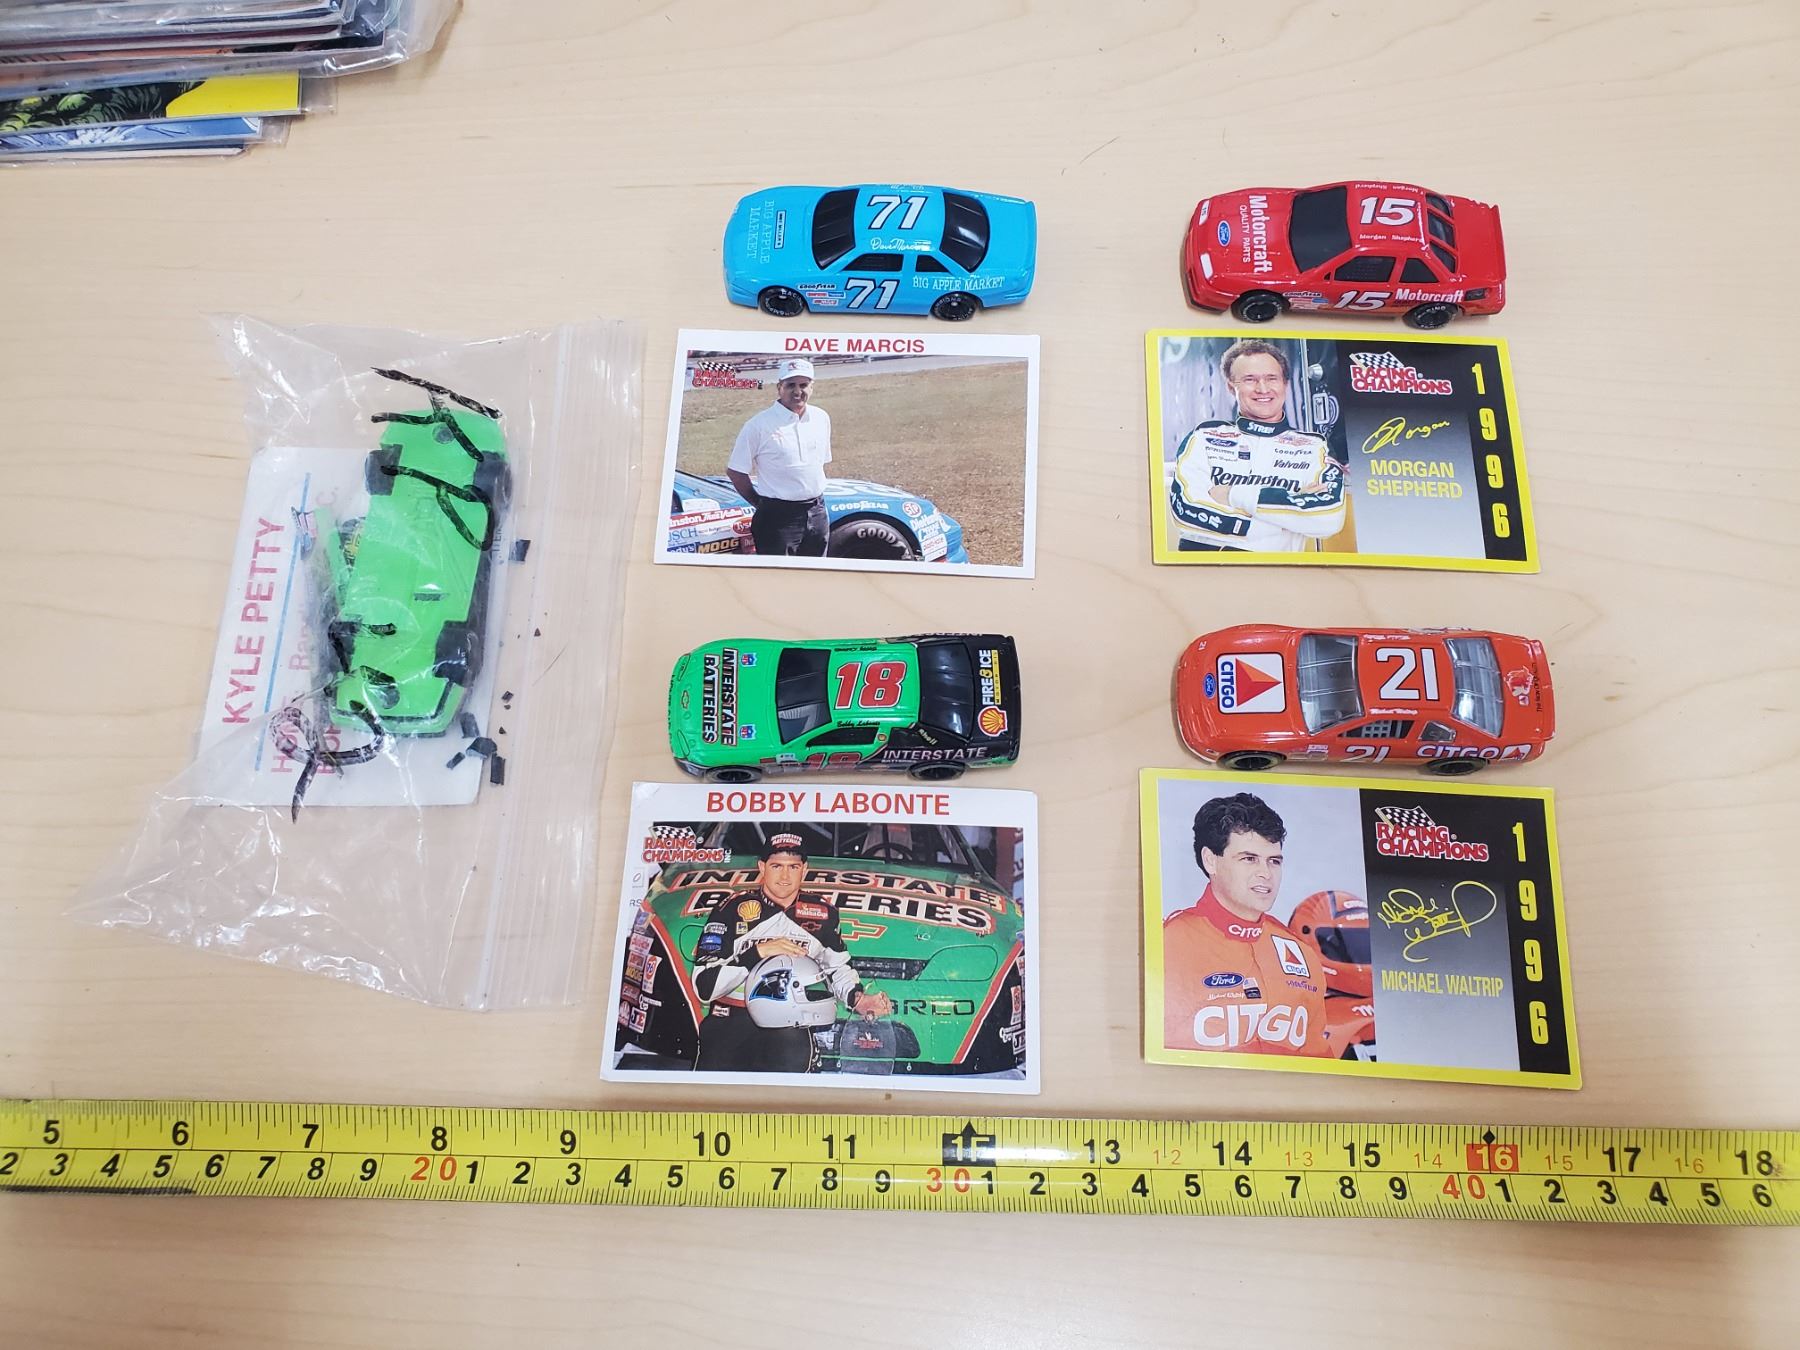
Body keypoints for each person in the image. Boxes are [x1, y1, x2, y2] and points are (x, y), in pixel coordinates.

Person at [691, 830, 891, 1072]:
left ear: (804, 870)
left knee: (789, 1086)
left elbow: (837, 968)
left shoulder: (823, 913)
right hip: (731, 1020)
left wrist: (858, 999)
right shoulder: (731, 909)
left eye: (793, 867)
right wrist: (758, 952)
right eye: (776, 866)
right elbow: (704, 987)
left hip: (791, 1025)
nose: (785, 876)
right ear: (762, 867)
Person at [1162, 792, 1330, 1056]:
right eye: (1249, 859)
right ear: (1210, 861)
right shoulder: (1166, 944)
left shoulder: (1302, 954)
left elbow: (1319, 1061)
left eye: (1274, 861)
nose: (1265, 873)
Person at [1169, 339, 1347, 553]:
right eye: (1249, 380)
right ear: (1231, 387)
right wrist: (1284, 521)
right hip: (1201, 571)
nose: (1262, 389)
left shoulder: (1315, 447)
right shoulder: (1203, 437)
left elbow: (1328, 518)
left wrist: (1233, 495)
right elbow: (1187, 512)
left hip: (1274, 573)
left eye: (1272, 378)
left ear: (1285, 384)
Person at [727, 357, 832, 557]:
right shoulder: (758, 425)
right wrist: (760, 504)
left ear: (812, 387)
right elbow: (736, 471)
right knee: (779, 574)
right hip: (777, 518)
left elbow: (819, 464)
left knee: (815, 571)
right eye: (790, 385)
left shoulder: (821, 418)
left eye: (803, 385)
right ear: (779, 388)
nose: (797, 391)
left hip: (817, 513)